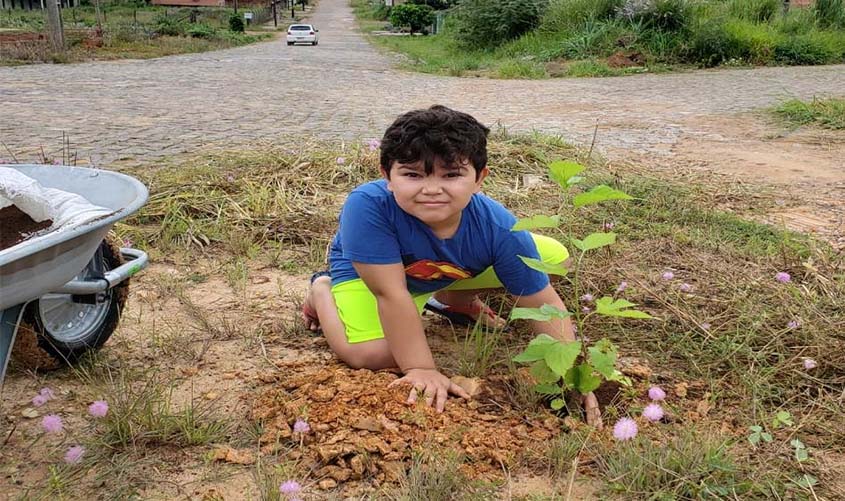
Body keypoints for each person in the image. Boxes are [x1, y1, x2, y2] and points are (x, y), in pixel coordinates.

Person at [301, 105, 601, 427]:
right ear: (387, 176)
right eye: (413, 174)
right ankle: (322, 290)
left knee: (555, 259)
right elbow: (391, 294)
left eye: (451, 175)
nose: (431, 189)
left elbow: (542, 300)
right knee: (370, 354)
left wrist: (573, 370)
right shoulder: (368, 206)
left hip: (443, 268)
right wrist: (421, 367)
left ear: (479, 179)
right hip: (377, 273)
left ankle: (454, 299)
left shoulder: (497, 226)